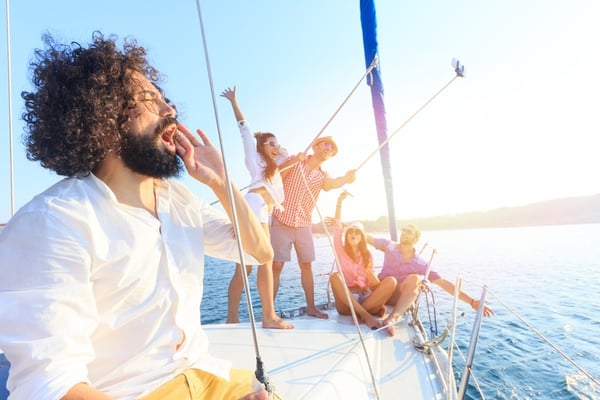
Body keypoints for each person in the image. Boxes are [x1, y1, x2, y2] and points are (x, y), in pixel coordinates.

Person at [0, 33, 269, 400]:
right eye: (148, 99)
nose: (169, 110)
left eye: (165, 100)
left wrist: (223, 184)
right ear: (102, 115)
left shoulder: (179, 202)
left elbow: (259, 252)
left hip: (206, 375)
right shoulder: (54, 221)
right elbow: (51, 386)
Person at [220, 85, 301, 329]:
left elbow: (286, 154)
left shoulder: (274, 168)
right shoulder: (254, 160)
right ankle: (269, 317)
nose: (276, 147)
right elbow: (245, 132)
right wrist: (235, 102)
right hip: (254, 206)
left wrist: (275, 147)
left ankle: (233, 318)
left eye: (277, 143)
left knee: (245, 268)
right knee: (264, 261)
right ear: (260, 147)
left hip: (261, 211)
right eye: (270, 143)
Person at [271, 136, 356, 319]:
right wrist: (295, 160)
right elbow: (277, 176)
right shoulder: (296, 160)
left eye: (332, 149)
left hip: (303, 225)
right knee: (276, 266)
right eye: (327, 144)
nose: (329, 149)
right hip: (281, 219)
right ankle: (269, 311)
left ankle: (311, 307)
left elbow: (332, 184)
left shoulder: (322, 175)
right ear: (316, 146)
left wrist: (346, 179)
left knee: (307, 265)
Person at [366, 224, 495, 336]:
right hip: (382, 290)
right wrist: (349, 224)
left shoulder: (420, 263)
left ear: (416, 238)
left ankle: (392, 319)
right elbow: (363, 237)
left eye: (409, 232)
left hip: (397, 298)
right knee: (389, 280)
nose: (404, 233)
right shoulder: (388, 246)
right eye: (404, 230)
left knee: (416, 279)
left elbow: (443, 283)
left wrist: (471, 302)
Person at [325, 191, 397, 330]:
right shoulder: (340, 250)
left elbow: (375, 284)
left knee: (391, 281)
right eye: (351, 231)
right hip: (347, 301)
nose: (353, 234)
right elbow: (338, 226)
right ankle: (367, 314)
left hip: (365, 295)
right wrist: (339, 202)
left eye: (357, 232)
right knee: (335, 277)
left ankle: (360, 312)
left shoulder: (367, 255)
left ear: (362, 237)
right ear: (347, 236)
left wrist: (371, 276)